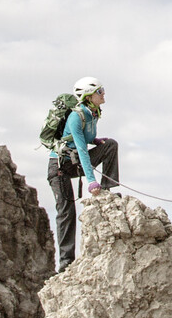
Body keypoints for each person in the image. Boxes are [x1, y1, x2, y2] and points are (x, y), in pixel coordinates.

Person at [48, 76, 119, 271]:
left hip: (74, 162)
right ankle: (65, 263)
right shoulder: (75, 116)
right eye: (99, 91)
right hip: (60, 167)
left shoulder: (93, 112)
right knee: (66, 211)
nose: (103, 93)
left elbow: (84, 139)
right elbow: (80, 149)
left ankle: (108, 187)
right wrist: (90, 181)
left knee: (110, 145)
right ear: (88, 95)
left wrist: (95, 141)